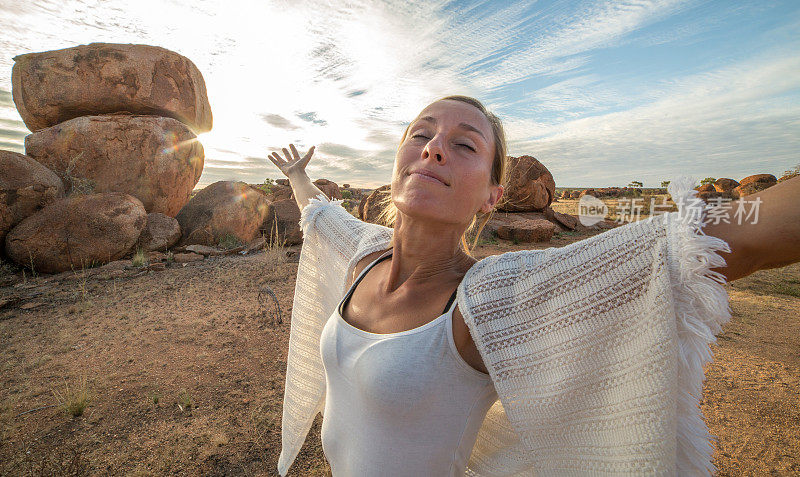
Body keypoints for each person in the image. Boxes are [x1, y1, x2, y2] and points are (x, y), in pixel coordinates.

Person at [269, 95, 800, 476]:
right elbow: (318, 213)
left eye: (464, 145)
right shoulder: (364, 254)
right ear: (398, 162)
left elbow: (705, 243)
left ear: (493, 195)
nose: (433, 149)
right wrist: (297, 176)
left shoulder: (484, 303)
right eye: (421, 134)